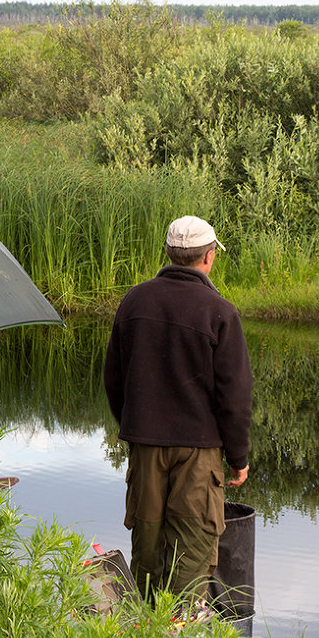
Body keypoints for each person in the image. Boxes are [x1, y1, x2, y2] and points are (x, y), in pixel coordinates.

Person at [103, 215, 252, 605]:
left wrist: (136, 427)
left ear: (168, 254)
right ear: (208, 257)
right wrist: (238, 457)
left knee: (147, 551)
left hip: (145, 447)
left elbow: (112, 379)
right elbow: (234, 395)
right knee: (192, 552)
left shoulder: (133, 302)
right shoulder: (220, 312)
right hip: (199, 452)